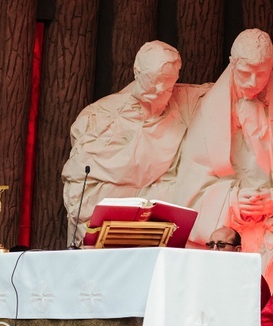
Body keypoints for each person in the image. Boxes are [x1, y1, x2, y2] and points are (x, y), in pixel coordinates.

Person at [62, 40, 207, 245]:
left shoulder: (185, 103)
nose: (160, 89)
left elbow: (223, 94)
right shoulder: (98, 117)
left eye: (168, 82)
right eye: (153, 80)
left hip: (159, 212)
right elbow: (79, 183)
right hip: (109, 213)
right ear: (136, 71)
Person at [174, 29, 273, 285]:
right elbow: (189, 189)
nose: (253, 82)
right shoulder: (211, 114)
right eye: (245, 73)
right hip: (228, 217)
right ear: (233, 64)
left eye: (261, 73)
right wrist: (232, 199)